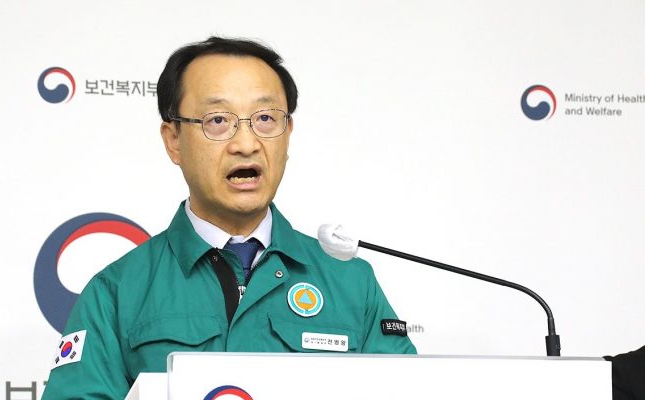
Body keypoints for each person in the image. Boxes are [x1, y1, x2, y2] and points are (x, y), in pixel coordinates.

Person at [42, 36, 416, 399]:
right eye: (218, 120)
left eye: (265, 118)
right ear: (173, 140)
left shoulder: (351, 281)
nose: (246, 144)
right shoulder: (117, 291)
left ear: (288, 134)